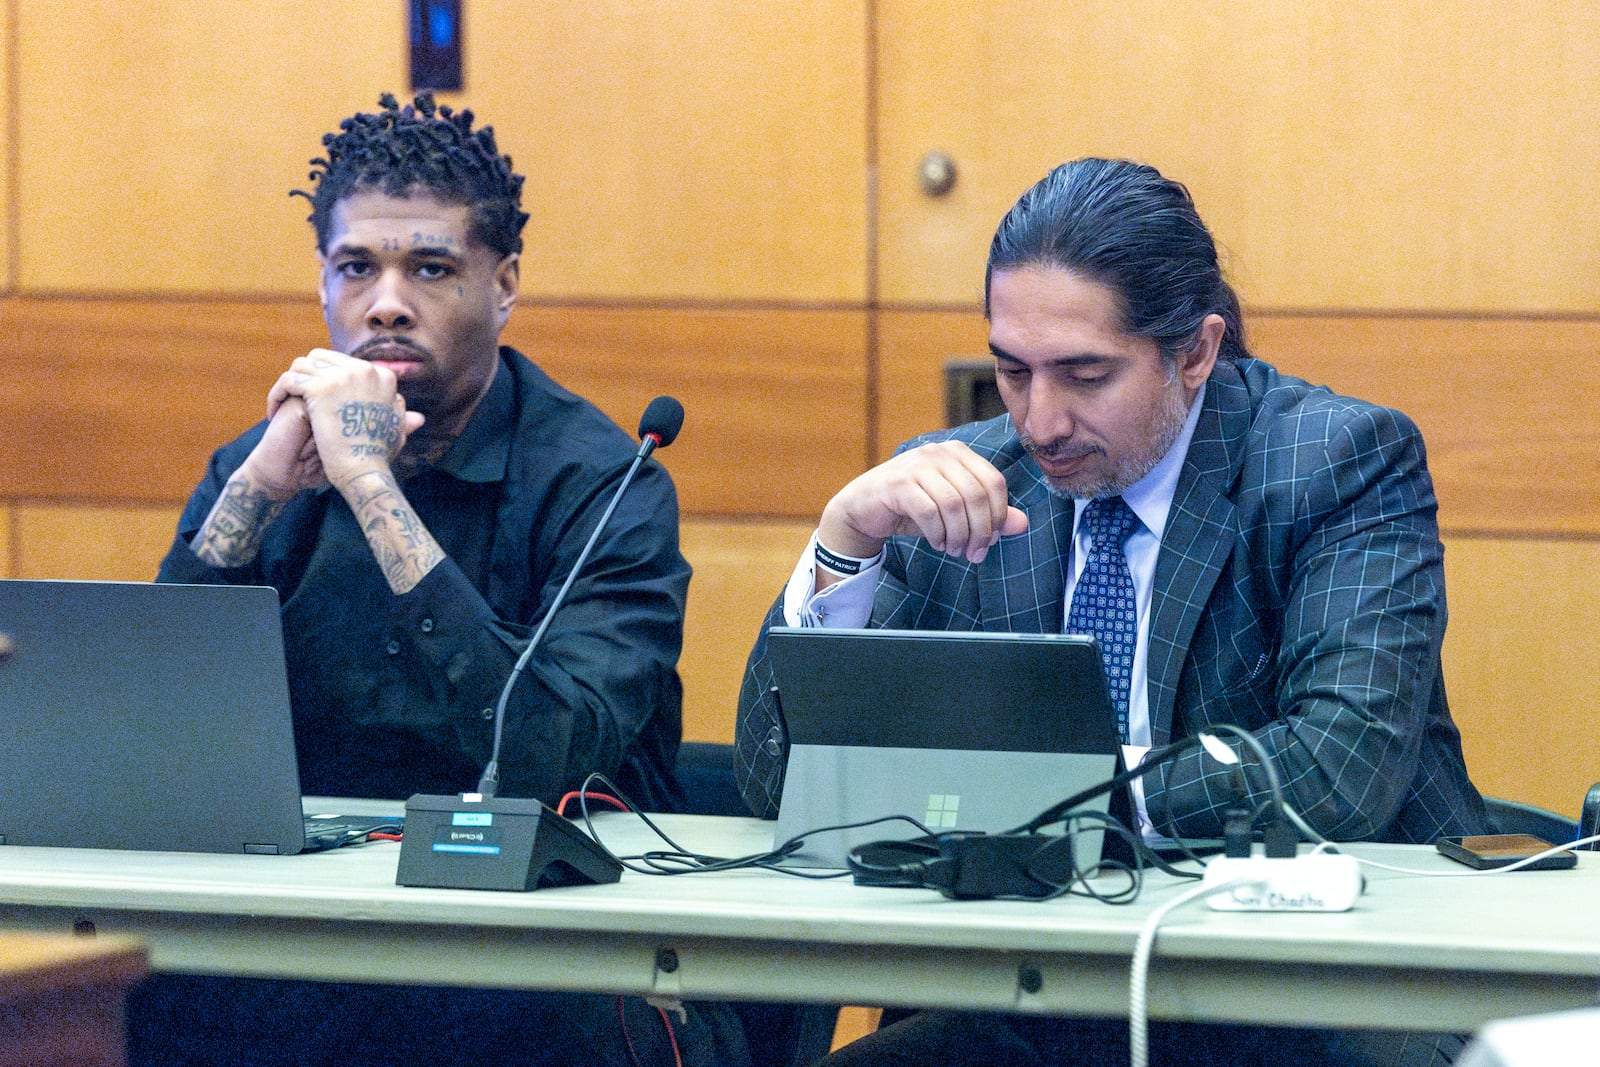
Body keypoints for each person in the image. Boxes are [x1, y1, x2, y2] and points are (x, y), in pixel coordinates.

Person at [735, 158, 1488, 1066]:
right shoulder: (962, 482)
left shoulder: (1335, 462)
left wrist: (1055, 790)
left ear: (1197, 352)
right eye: (1012, 372)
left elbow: (1342, 762)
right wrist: (841, 545)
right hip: (1041, 990)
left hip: (1319, 988)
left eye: (1084, 375)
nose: (1039, 420)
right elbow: (777, 782)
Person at [137, 92, 748, 1067]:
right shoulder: (261, 466)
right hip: (304, 935)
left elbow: (535, 749)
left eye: (428, 267)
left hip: (557, 956)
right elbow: (149, 723)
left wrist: (369, 483)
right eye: (356, 267)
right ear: (322, 284)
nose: (385, 299)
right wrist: (258, 484)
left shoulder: (604, 482)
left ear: (502, 284)